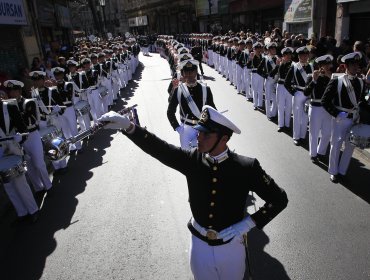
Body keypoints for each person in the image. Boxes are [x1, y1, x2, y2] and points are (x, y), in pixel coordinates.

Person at [98, 105, 288, 280]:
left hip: (231, 247)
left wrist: (248, 223)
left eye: (206, 135)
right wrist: (129, 127)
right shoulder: (193, 160)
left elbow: (279, 199)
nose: (198, 138)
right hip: (199, 247)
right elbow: (160, 149)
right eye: (199, 133)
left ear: (224, 139)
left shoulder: (246, 167)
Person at [322, 52, 367, 183]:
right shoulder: (337, 80)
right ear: (346, 66)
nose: (355, 67)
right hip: (340, 118)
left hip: (354, 118)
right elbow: (325, 100)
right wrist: (336, 113)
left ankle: (342, 171)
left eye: (357, 64)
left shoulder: (360, 82)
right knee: (336, 144)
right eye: (352, 64)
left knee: (350, 146)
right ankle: (333, 171)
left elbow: (362, 102)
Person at [4, 80, 52, 194]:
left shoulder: (29, 102)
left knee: (39, 164)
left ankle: (48, 186)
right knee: (29, 167)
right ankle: (38, 188)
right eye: (10, 91)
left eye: (14, 90)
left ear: (20, 91)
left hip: (32, 135)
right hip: (19, 139)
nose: (12, 93)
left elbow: (32, 119)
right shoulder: (7, 107)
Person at [167, 59, 216, 150]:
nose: (189, 74)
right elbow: (170, 111)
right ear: (182, 73)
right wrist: (177, 128)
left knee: (202, 156)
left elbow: (213, 111)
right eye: (186, 72)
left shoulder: (205, 89)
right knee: (187, 157)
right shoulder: (179, 90)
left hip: (202, 128)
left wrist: (208, 127)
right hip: (185, 129)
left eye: (192, 71)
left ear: (196, 72)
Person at [304, 55, 333, 163]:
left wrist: (330, 78)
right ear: (320, 66)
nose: (327, 67)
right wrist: (314, 80)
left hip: (327, 108)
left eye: (328, 65)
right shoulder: (311, 76)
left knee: (327, 133)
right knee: (314, 132)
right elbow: (306, 92)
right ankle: (313, 154)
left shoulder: (331, 77)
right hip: (315, 107)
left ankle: (321, 152)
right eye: (325, 65)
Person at [284, 46, 314, 146]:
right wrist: (293, 92)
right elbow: (286, 82)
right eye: (302, 55)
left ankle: (302, 136)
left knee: (305, 117)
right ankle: (296, 137)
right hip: (298, 93)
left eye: (306, 55)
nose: (304, 57)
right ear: (299, 56)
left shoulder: (311, 66)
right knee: (297, 116)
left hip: (308, 95)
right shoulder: (295, 66)